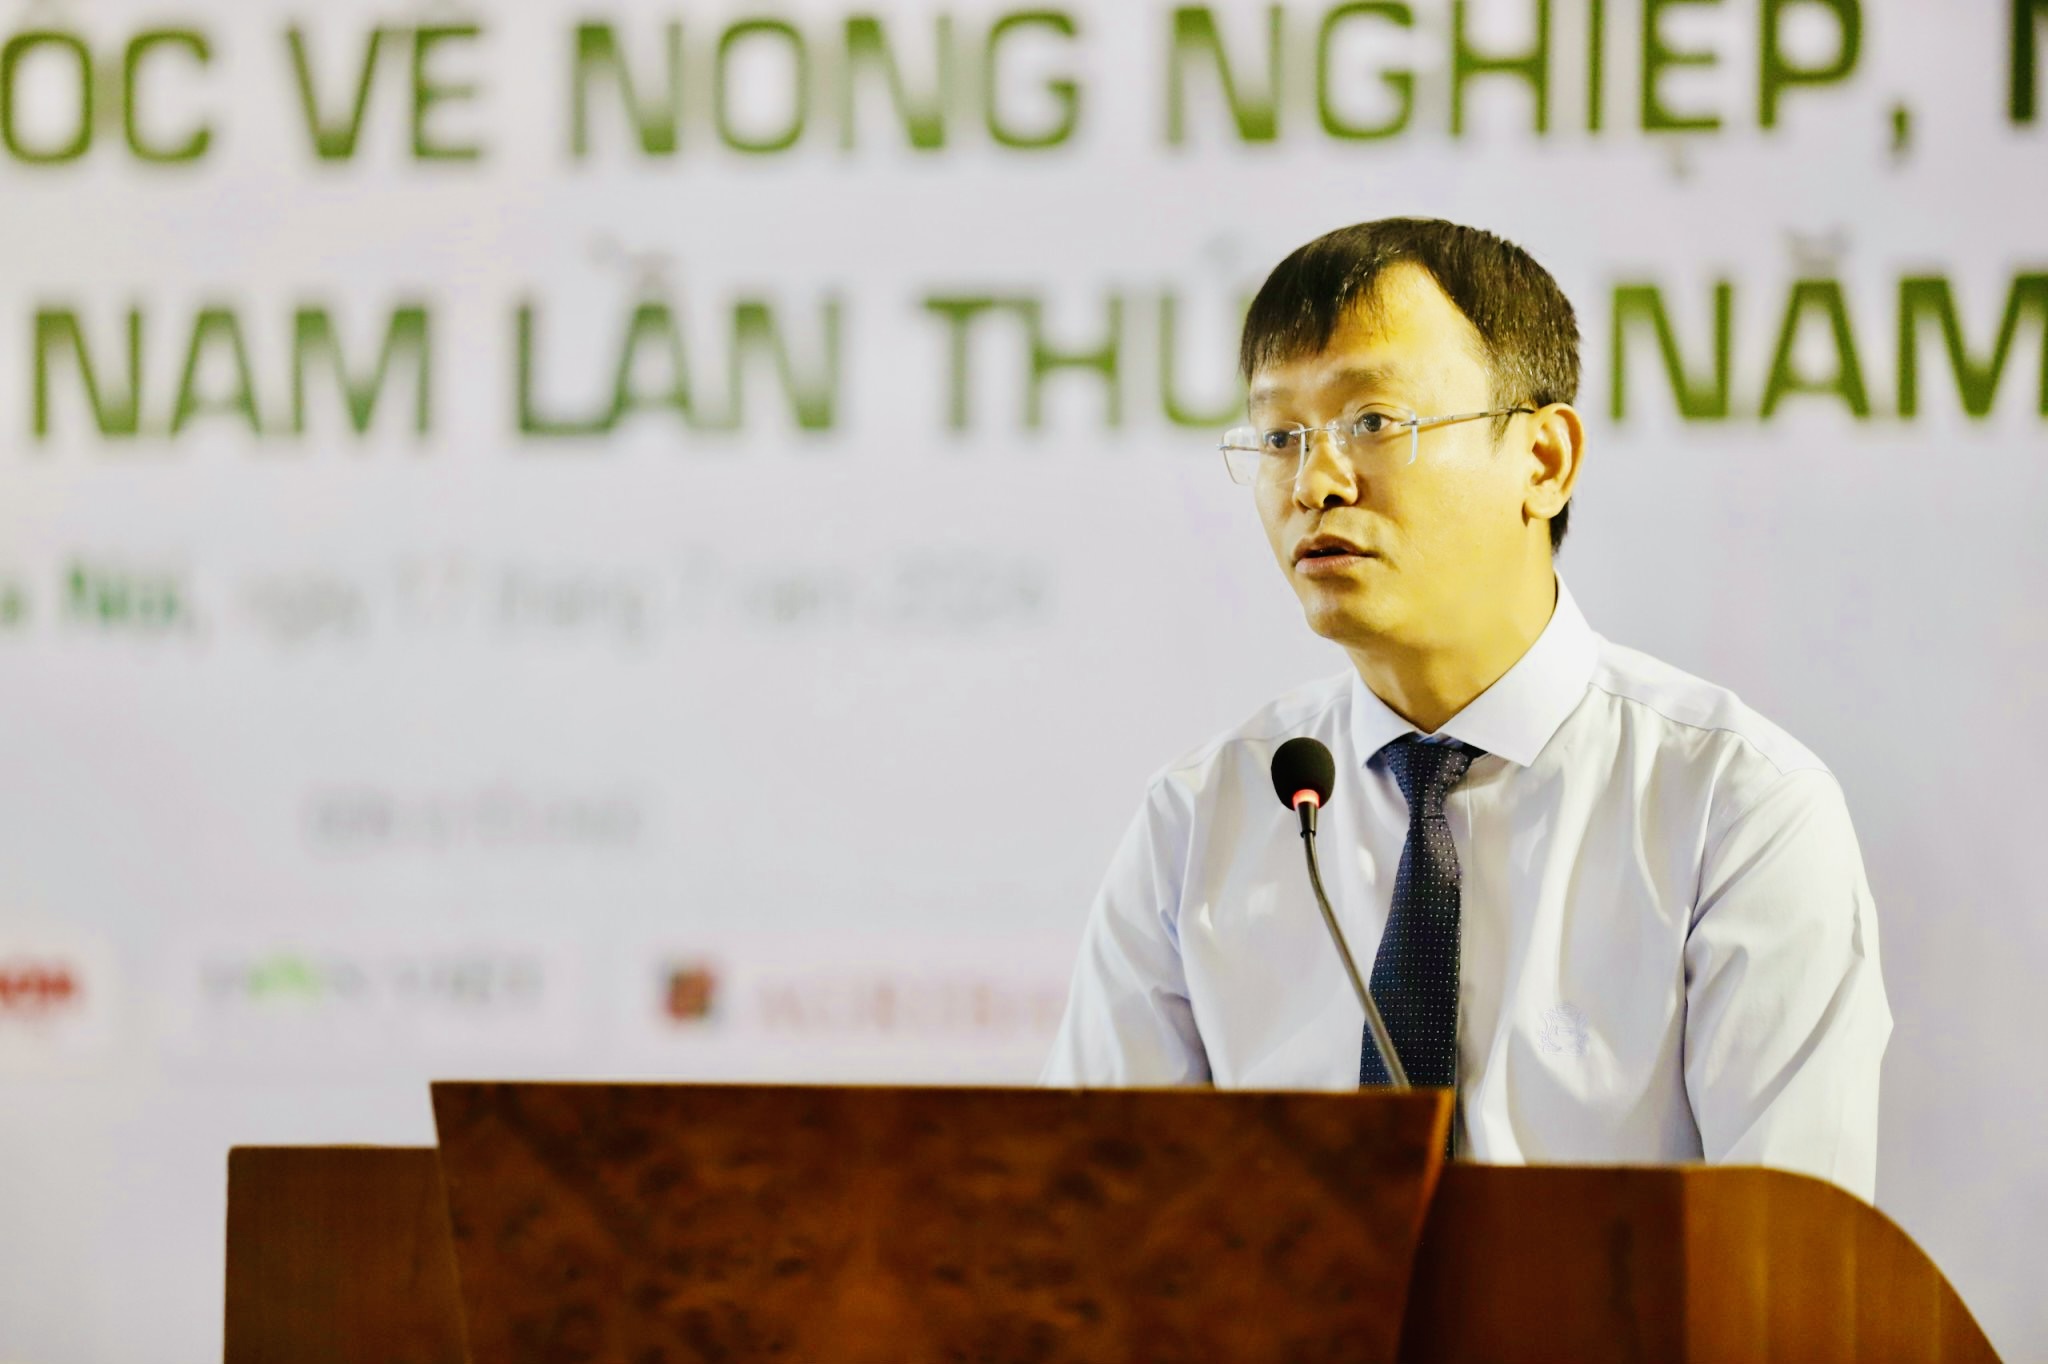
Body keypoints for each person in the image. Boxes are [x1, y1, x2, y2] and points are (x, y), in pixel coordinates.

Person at [1040, 218, 1892, 1201]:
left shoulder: (1732, 808)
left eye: (1373, 422)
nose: (1315, 482)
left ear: (1543, 461)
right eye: (1279, 437)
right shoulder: (1202, 820)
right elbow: (1086, 1226)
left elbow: (1785, 1261)